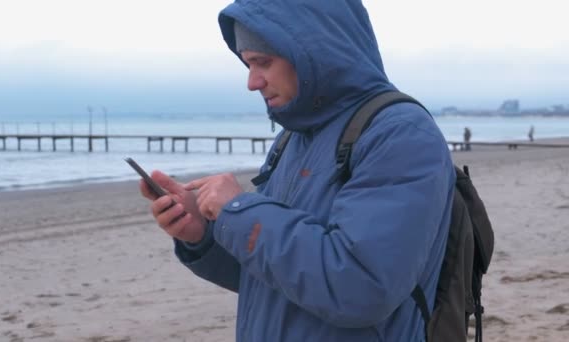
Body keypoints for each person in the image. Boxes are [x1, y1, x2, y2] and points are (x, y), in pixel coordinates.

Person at [139, 1, 456, 341]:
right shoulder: (294, 138)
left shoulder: (400, 134)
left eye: (263, 62)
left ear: (315, 51)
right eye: (247, 64)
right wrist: (204, 235)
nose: (252, 82)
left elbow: (362, 288)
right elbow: (274, 278)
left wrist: (240, 212)